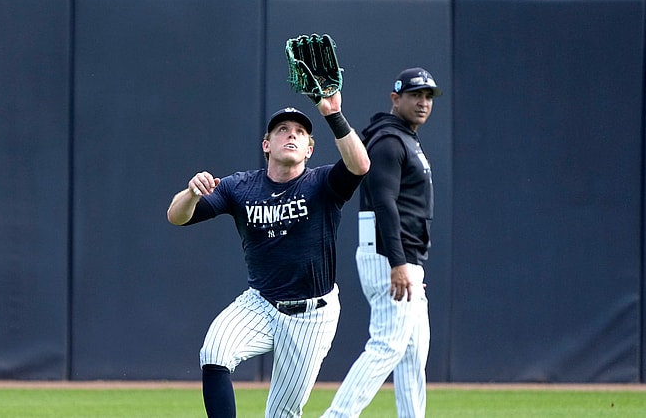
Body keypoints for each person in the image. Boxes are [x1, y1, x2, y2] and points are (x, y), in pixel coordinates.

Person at [167, 91, 370, 418]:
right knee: (215, 351)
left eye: (300, 132)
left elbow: (360, 165)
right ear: (266, 145)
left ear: (309, 148)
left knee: (281, 415)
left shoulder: (321, 183)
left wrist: (333, 114)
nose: (291, 134)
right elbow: (177, 216)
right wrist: (191, 193)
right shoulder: (240, 187)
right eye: (282, 130)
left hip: (311, 315)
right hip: (260, 302)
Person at [322, 67, 442, 418]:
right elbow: (383, 202)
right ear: (395, 98)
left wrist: (408, 262)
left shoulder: (404, 137)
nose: (422, 102)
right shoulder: (389, 140)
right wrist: (398, 262)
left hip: (402, 256)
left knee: (413, 352)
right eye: (415, 95)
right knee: (387, 345)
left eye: (428, 96)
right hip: (389, 254)